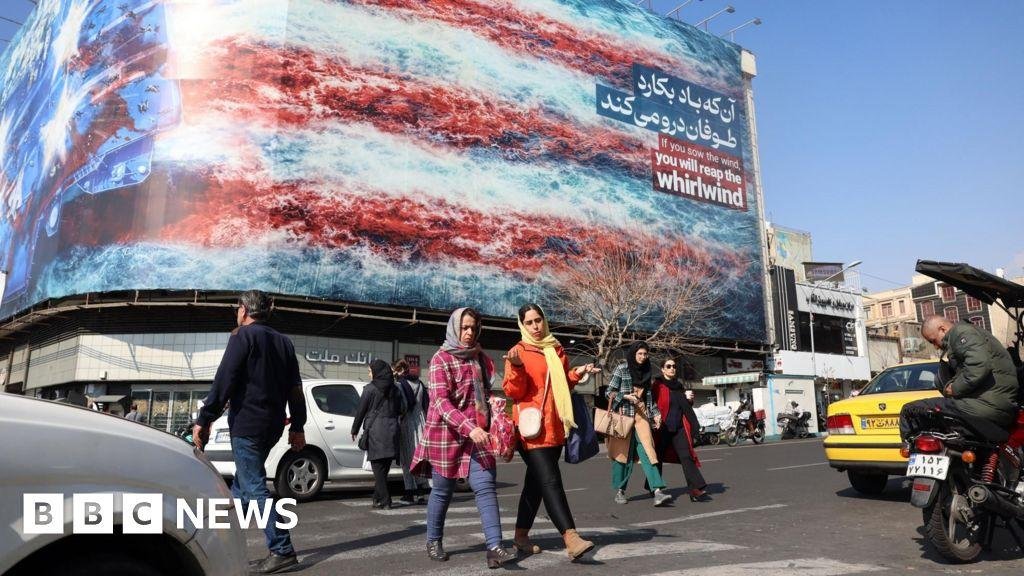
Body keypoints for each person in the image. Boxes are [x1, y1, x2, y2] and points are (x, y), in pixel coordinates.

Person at [193, 290, 306, 575]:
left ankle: (282, 549)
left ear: (244, 310)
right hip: (273, 426)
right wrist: (298, 426)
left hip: (247, 425)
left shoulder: (242, 336)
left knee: (254, 487)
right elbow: (296, 389)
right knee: (242, 488)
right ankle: (222, 544)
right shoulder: (284, 342)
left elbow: (225, 379)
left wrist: (205, 418)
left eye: (237, 309)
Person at [410, 308, 517, 568]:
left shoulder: (479, 357)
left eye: (473, 328)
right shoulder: (441, 359)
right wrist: (469, 427)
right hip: (446, 434)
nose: (469, 333)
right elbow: (440, 402)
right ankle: (433, 540)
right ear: (454, 327)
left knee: (486, 486)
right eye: (464, 327)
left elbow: (484, 393)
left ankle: (495, 547)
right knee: (442, 490)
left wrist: (496, 411)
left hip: (478, 435)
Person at [502, 303, 600, 560]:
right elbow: (513, 392)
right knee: (550, 481)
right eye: (529, 322)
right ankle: (571, 537)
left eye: (538, 320)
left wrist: (577, 373)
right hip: (531, 429)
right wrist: (517, 366)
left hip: (555, 426)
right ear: (522, 325)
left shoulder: (556, 348)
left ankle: (520, 537)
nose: (535, 326)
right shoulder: (518, 351)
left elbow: (561, 383)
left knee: (534, 485)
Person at [899, 316, 1019, 441]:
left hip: (984, 406)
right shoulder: (966, 334)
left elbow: (978, 366)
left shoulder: (961, 332)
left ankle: (908, 447)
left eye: (933, 341)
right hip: (991, 404)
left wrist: (954, 388)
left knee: (909, 411)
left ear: (942, 329)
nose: (935, 346)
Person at [606, 342, 672, 506]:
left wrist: (656, 414)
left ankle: (657, 491)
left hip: (641, 417)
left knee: (649, 452)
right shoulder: (622, 369)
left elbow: (649, 399)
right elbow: (609, 392)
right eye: (640, 354)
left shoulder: (647, 371)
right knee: (623, 456)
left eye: (645, 354)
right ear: (633, 354)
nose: (643, 357)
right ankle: (620, 491)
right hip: (624, 417)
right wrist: (625, 396)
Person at [651, 357, 710, 502]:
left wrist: (689, 400)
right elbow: (651, 404)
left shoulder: (678, 386)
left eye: (674, 366)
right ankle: (654, 487)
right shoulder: (658, 385)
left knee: (686, 456)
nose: (672, 368)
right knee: (657, 458)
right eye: (668, 366)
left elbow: (683, 407)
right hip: (662, 428)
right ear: (662, 369)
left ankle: (695, 489)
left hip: (678, 428)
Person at [352, 359, 401, 509]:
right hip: (392, 431)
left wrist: (354, 429)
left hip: (376, 432)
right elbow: (401, 409)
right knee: (383, 469)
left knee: (378, 469)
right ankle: (377, 498)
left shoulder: (370, 389)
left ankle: (386, 500)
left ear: (377, 372)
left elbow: (361, 410)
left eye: (370, 371)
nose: (369, 374)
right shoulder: (395, 389)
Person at [394, 358, 430, 504]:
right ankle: (422, 493)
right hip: (421, 421)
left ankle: (409, 493)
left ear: (401, 370)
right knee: (419, 458)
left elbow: (402, 406)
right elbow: (426, 404)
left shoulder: (400, 384)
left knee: (407, 459)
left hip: (407, 422)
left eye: (396, 370)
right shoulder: (420, 383)